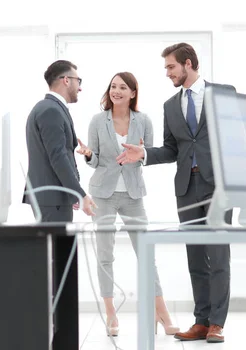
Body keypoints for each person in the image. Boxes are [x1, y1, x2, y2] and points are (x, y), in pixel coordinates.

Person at [116, 43, 236, 343]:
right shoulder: (171, 105)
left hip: (217, 186)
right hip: (186, 187)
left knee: (217, 254)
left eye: (170, 67)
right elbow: (172, 149)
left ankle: (217, 323)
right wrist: (143, 153)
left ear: (187, 63)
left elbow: (236, 138)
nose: (167, 73)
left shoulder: (222, 93)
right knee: (195, 256)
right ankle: (201, 321)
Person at [77, 72, 179, 336]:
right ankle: (111, 313)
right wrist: (89, 154)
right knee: (105, 254)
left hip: (133, 194)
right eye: (113, 86)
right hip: (103, 194)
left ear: (133, 93)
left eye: (123, 87)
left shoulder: (143, 120)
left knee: (146, 253)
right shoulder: (97, 121)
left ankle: (161, 311)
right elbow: (96, 159)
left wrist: (140, 155)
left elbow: (147, 154)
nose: (116, 91)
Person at [23, 59, 96, 221]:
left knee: (59, 246)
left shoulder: (49, 107)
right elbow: (58, 157)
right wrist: (79, 194)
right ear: (66, 80)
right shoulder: (51, 110)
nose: (80, 87)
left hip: (53, 198)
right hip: (52, 198)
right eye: (78, 81)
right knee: (62, 247)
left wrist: (71, 192)